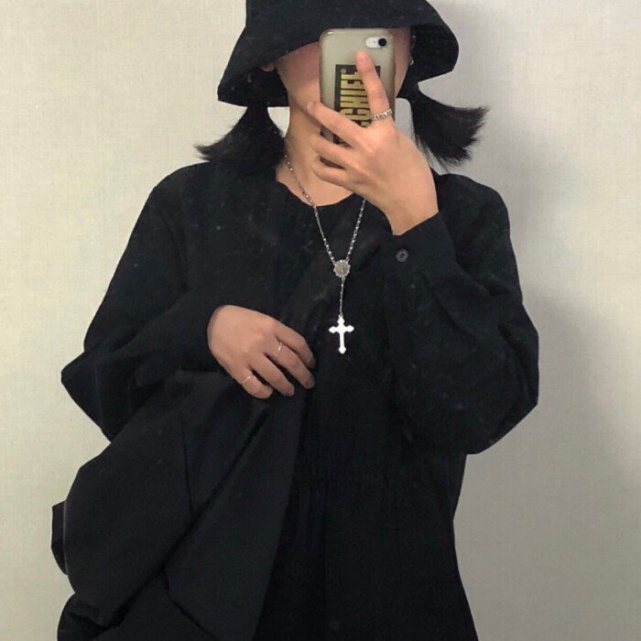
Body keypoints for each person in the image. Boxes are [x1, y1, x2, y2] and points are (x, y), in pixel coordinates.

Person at [52, 2, 539, 640]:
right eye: (320, 33)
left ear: (409, 50)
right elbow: (105, 381)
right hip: (211, 605)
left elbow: (476, 413)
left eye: (376, 31)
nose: (354, 56)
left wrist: (415, 220)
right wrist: (203, 328)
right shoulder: (192, 204)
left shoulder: (463, 217)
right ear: (269, 59)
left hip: (393, 603)